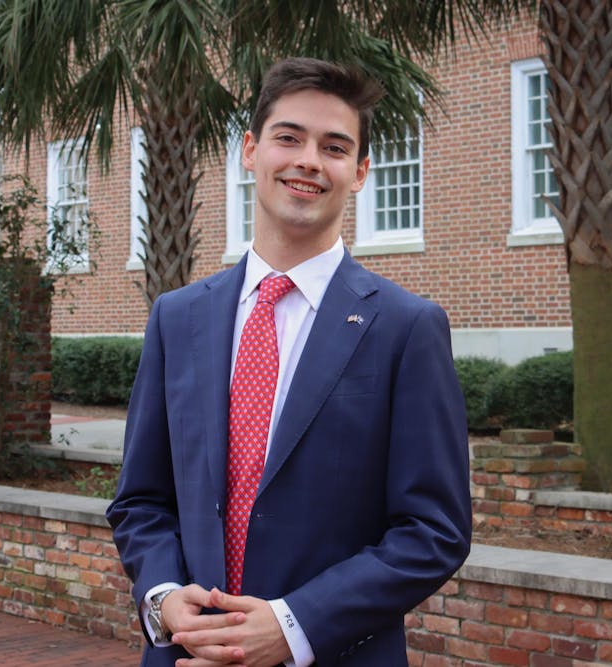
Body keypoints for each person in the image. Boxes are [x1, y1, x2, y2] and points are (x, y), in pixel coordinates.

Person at [106, 57, 471, 667]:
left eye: (333, 147)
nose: (308, 160)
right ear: (250, 151)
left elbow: (433, 531)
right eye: (288, 137)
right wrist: (165, 600)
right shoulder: (177, 317)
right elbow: (142, 501)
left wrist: (294, 626)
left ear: (358, 173)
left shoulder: (407, 327)